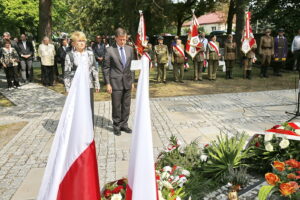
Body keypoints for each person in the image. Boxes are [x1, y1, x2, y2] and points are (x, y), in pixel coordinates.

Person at [103, 28, 135, 136]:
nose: (123, 42)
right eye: (121, 39)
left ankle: (124, 124)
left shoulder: (130, 49)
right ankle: (116, 125)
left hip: (127, 81)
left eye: (124, 39)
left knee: (126, 105)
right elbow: (106, 68)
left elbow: (132, 67)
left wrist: (132, 81)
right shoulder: (109, 50)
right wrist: (107, 83)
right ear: (116, 38)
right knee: (116, 106)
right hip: (115, 82)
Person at [64, 31, 100, 125]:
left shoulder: (90, 54)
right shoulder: (70, 55)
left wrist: (97, 83)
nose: (82, 43)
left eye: (83, 40)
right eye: (79, 41)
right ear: (73, 43)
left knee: (89, 108)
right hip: (76, 87)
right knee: (78, 109)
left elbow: (94, 69)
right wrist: (68, 88)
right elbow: (67, 73)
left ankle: (89, 130)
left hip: (88, 85)